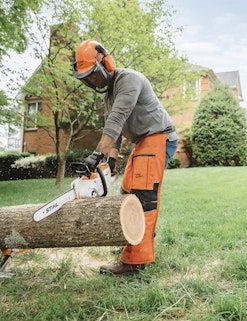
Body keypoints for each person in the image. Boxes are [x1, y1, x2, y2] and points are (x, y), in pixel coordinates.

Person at [73, 39, 179, 275]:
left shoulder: (128, 79)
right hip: (143, 141)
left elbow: (116, 120)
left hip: (159, 138)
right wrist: (110, 160)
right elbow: (117, 133)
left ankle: (134, 262)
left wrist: (95, 155)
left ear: (106, 63)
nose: (92, 80)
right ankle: (133, 240)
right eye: (87, 78)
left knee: (142, 197)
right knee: (127, 194)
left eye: (93, 74)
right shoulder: (108, 95)